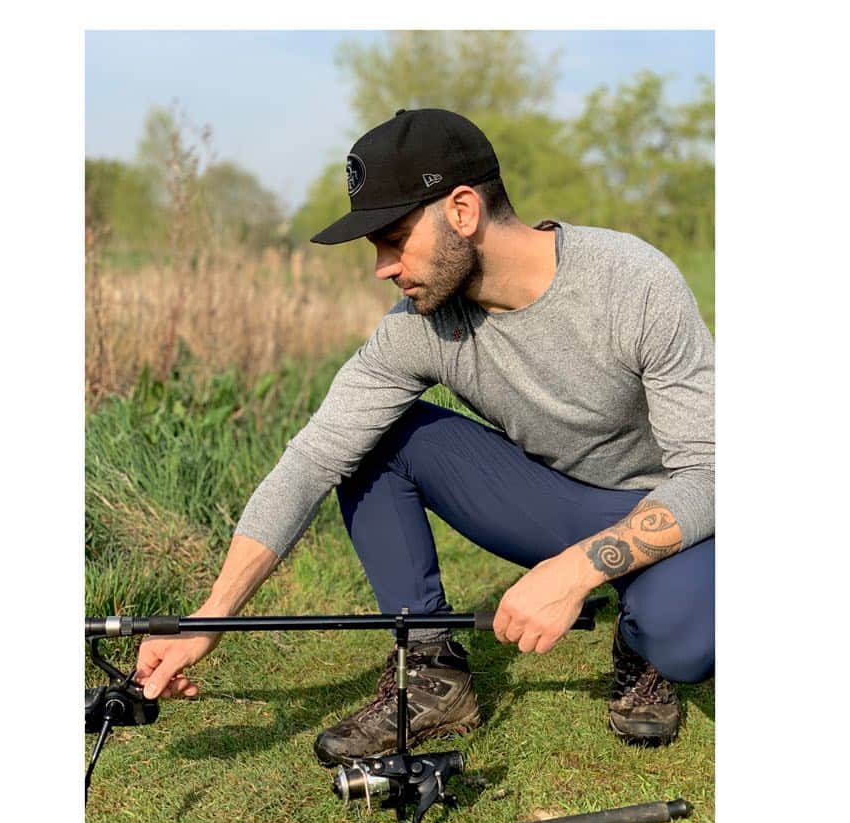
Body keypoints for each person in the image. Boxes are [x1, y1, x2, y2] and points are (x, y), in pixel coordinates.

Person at [135, 108, 715, 765]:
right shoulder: (415, 326)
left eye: (393, 238)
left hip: (661, 503)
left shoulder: (632, 283)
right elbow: (310, 461)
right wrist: (209, 620)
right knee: (371, 439)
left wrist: (578, 570)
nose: (382, 267)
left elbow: (714, 473)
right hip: (548, 500)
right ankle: (434, 672)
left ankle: (639, 641)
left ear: (462, 210)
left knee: (685, 640)